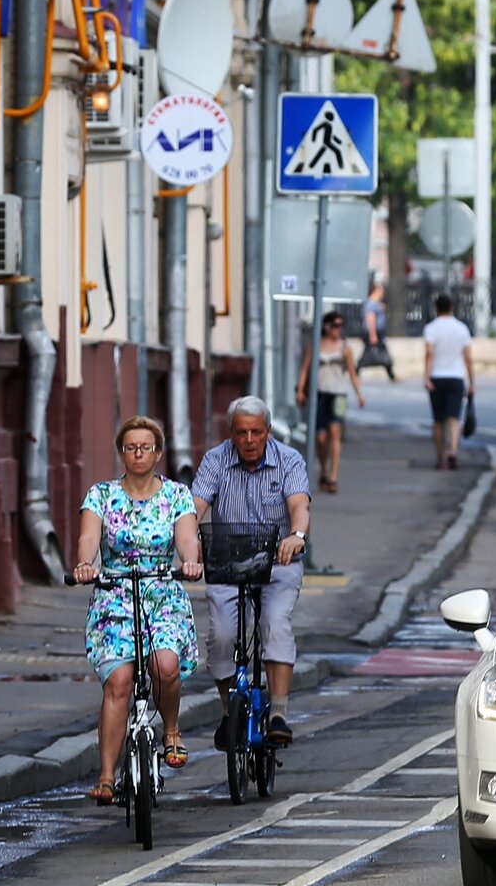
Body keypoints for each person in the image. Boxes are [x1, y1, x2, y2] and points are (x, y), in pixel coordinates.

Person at [73, 417, 202, 804]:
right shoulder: (101, 495)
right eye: (131, 447)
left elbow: (187, 538)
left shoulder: (177, 496)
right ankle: (108, 776)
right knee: (119, 681)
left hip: (162, 592)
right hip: (114, 593)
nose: (139, 454)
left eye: (146, 447)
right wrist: (85, 564)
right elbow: (88, 537)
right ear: (121, 453)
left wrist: (191, 561)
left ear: (158, 452)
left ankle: (172, 729)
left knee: (165, 665)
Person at [192, 396, 311, 749]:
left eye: (256, 432)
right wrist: (189, 543)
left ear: (268, 431)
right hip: (227, 563)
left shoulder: (289, 460)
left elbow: (299, 505)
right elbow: (194, 508)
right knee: (223, 634)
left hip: (278, 562)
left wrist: (296, 536)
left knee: (274, 622)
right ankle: (230, 710)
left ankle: (279, 714)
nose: (248, 440)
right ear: (230, 433)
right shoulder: (215, 460)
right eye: (241, 432)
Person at [296, 310, 364, 493]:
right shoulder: (316, 345)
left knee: (335, 432)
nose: (338, 329)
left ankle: (333, 476)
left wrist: (359, 394)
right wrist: (301, 389)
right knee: (320, 437)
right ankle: (323, 468)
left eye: (341, 326)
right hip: (319, 393)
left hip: (338, 394)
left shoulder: (345, 348)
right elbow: (305, 368)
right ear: (326, 327)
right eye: (335, 325)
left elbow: (352, 372)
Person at [423, 293, 475, 471]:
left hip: (437, 377)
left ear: (436, 308)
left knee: (438, 420)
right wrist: (472, 382)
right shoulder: (462, 328)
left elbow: (430, 355)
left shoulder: (431, 328)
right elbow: (468, 358)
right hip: (456, 377)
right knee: (454, 418)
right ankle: (453, 450)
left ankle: (440, 458)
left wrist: (426, 377)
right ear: (452, 307)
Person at [359, 282, 396, 381]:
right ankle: (356, 370)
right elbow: (370, 319)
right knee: (370, 352)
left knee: (376, 352)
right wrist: (373, 334)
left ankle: (391, 374)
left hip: (377, 333)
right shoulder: (371, 304)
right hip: (374, 332)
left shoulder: (376, 304)